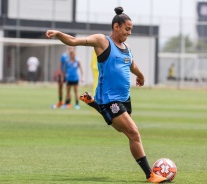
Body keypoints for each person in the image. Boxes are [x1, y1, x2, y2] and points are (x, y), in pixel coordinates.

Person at [46, 6, 166, 183]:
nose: (129, 32)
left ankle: (95, 104)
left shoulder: (126, 47)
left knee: (122, 129)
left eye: (131, 29)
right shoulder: (102, 41)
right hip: (110, 99)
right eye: (127, 28)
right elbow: (74, 41)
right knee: (134, 133)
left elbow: (131, 65)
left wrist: (140, 75)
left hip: (125, 98)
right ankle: (150, 175)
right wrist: (58, 33)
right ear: (116, 26)